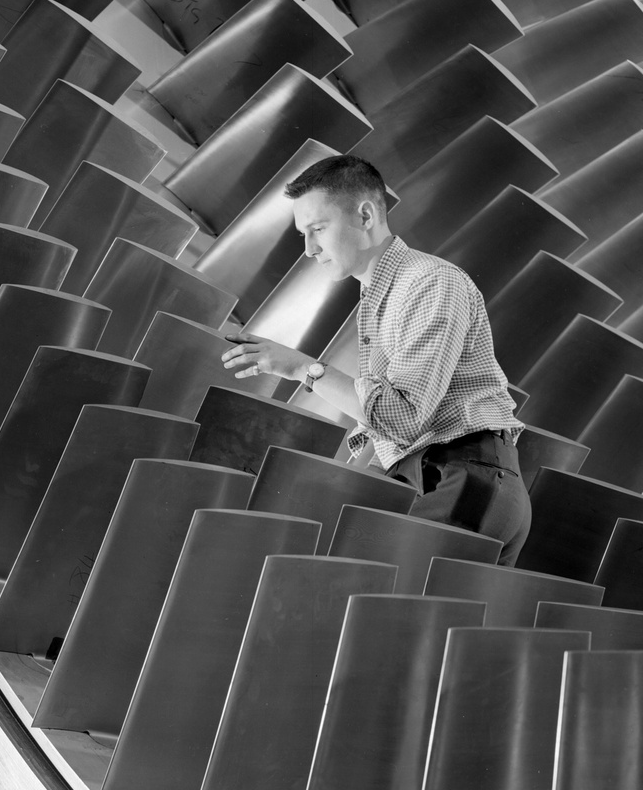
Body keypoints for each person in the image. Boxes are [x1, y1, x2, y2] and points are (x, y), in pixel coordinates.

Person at [221, 154, 531, 564]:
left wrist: (303, 369)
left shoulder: (428, 282)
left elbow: (403, 417)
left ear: (365, 215)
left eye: (318, 229)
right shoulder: (382, 296)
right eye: (303, 235)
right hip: (448, 480)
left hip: (459, 480)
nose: (310, 249)